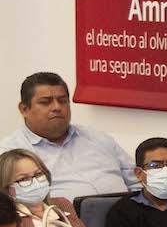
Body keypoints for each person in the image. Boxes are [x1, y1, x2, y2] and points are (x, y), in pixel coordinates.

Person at [1, 73, 137, 199]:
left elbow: (137, 182)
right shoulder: (9, 154)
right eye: (45, 102)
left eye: (62, 101)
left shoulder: (98, 138)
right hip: (60, 222)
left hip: (125, 220)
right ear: (24, 109)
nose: (57, 107)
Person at [0, 149, 111, 227]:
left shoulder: (61, 204)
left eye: (38, 174)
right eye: (24, 179)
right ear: (6, 187)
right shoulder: (7, 218)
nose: (35, 182)